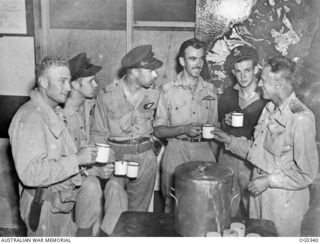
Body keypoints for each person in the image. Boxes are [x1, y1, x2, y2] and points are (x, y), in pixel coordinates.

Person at [212, 56, 319, 236]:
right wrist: (229, 140)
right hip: (259, 192)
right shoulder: (269, 109)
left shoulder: (300, 118)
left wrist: (269, 181)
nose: (260, 84)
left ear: (278, 83)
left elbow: (307, 174)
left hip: (283, 200)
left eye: (264, 80)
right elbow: (257, 150)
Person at [8, 56, 98, 236]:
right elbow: (30, 174)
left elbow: (57, 159)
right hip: (43, 208)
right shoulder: (30, 117)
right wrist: (77, 159)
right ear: (43, 82)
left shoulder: (53, 111)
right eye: (62, 81)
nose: (67, 87)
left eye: (69, 81)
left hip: (59, 204)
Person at [91, 44, 163, 235]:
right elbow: (98, 133)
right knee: (114, 204)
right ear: (134, 72)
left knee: (138, 214)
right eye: (151, 70)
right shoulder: (107, 95)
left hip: (145, 157)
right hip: (116, 156)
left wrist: (153, 148)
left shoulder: (155, 94)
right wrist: (103, 162)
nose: (155, 75)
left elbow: (161, 126)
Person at [154, 38, 219, 213]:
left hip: (203, 150)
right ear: (182, 61)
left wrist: (213, 159)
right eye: (192, 59)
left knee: (205, 203)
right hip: (176, 149)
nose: (198, 64)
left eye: (201, 58)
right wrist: (183, 129)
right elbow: (159, 130)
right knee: (171, 203)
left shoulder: (211, 91)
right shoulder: (167, 91)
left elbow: (215, 130)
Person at [63, 53, 114, 236]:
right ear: (75, 84)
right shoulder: (60, 114)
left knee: (93, 186)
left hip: (80, 174)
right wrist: (91, 171)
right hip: (61, 180)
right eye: (91, 81)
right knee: (92, 184)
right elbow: (61, 161)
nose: (96, 85)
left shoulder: (87, 105)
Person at [218, 45, 268, 217]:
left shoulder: (266, 96)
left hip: (252, 162)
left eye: (247, 70)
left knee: (254, 211)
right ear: (233, 72)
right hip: (228, 158)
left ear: (256, 69)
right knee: (225, 208)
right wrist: (224, 122)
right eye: (238, 71)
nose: (243, 76)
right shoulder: (227, 95)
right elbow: (219, 128)